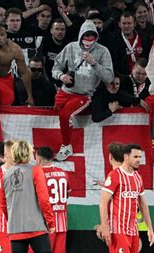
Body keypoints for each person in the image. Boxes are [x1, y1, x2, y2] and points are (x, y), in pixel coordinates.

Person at [96, 144, 154, 253]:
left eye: (140, 157)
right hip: (117, 228)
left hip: (133, 230)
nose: (139, 160)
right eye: (136, 157)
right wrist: (105, 227)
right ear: (126, 157)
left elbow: (143, 204)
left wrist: (150, 228)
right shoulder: (115, 175)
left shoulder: (137, 178)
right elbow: (103, 202)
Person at [52, 20, 113, 161]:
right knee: (60, 113)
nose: (89, 39)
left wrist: (94, 63)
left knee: (66, 114)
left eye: (92, 36)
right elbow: (55, 67)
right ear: (81, 35)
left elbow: (109, 78)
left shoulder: (103, 51)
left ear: (96, 36)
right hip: (65, 92)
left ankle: (67, 146)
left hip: (84, 95)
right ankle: (64, 143)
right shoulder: (70, 47)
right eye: (86, 35)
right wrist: (61, 76)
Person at [28, 146, 70, 253]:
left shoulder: (37, 174)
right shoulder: (63, 174)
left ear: (38, 159)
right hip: (62, 223)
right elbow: (67, 194)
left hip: (43, 225)